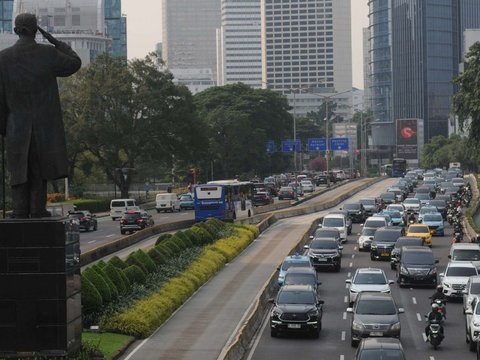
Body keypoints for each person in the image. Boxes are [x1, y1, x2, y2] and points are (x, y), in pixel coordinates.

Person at [0, 13, 81, 218]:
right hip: (43, 126)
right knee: (38, 170)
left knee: (19, 170)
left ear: (17, 30)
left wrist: (3, 128)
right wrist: (56, 42)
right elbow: (74, 62)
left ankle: (19, 211)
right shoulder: (48, 54)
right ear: (36, 30)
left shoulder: (3, 58)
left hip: (15, 126)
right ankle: (37, 210)